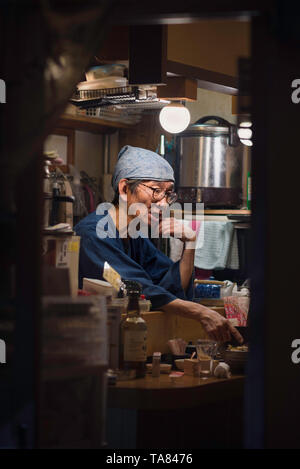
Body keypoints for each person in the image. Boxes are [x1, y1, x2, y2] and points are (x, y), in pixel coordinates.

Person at [75, 145, 242, 344]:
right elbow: (136, 289)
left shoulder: (135, 236)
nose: (163, 204)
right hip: (92, 341)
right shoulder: (93, 234)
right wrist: (202, 312)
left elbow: (170, 288)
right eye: (156, 191)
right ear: (124, 188)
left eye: (168, 194)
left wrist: (190, 243)